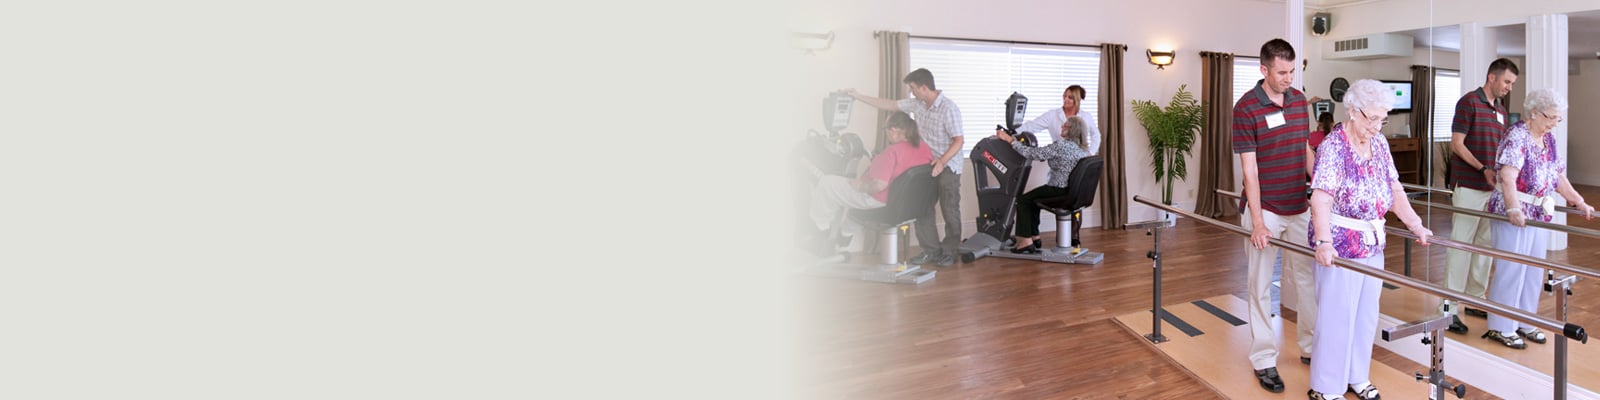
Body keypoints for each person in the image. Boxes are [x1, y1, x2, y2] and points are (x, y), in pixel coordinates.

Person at [1305, 79, 1433, 400]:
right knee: (1336, 317)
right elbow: (1320, 198)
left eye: (1382, 119)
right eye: (1371, 118)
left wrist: (1416, 225)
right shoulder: (1334, 146)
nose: (1377, 126)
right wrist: (1323, 242)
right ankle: (1327, 387)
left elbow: (1394, 191)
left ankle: (1356, 376)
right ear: (1352, 111)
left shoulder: (1379, 145)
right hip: (1339, 243)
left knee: (1365, 317)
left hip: (1372, 242)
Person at [1230, 38, 1318, 394]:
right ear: (1263, 69)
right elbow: (1249, 172)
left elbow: (1305, 149)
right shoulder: (1246, 108)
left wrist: (1320, 190)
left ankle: (1312, 348)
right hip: (1264, 208)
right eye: (1281, 72)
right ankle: (1264, 359)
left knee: (1307, 281)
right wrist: (1259, 222)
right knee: (1260, 286)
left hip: (1300, 206)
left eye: (1292, 71)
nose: (1288, 78)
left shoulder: (1298, 101)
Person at [1479, 89, 1594, 349]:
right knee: (1511, 269)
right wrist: (1513, 208)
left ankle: (1525, 321)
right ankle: (1501, 326)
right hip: (1513, 211)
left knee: (1533, 271)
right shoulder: (1517, 135)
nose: (1554, 123)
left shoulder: (1549, 139)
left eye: (1558, 119)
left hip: (1539, 212)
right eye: (1551, 117)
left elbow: (1558, 177)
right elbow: (1507, 177)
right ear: (1534, 112)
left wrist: (1578, 200)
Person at [846, 68, 966, 267]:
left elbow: (959, 141)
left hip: (948, 164)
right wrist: (857, 96)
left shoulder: (948, 108)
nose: (912, 93)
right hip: (926, 163)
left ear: (924, 87)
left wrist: (942, 162)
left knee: (949, 208)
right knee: (923, 207)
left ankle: (950, 251)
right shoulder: (918, 104)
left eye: (913, 88)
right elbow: (890, 104)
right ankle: (931, 250)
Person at [1445, 58, 1519, 334]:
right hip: (1469, 185)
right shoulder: (1469, 102)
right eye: (1507, 82)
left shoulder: (1500, 110)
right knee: (1460, 247)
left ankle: (1475, 298)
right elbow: (1457, 144)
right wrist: (1482, 168)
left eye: (1512, 84)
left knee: (1484, 247)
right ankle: (1449, 308)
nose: (1509, 88)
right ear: (1492, 77)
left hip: (1492, 189)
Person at [807, 112, 934, 253]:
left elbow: (879, 185)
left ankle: (820, 228)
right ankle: (843, 238)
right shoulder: (923, 147)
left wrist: (859, 186)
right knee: (854, 213)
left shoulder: (892, 152)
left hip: (877, 199)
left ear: (893, 130)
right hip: (909, 204)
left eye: (885, 129)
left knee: (827, 182)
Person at [994, 116, 1091, 253]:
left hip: (1059, 190)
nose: (1062, 127)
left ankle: (1025, 242)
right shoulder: (1083, 150)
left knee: (1023, 200)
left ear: (1072, 130)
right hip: (1073, 192)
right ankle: (1034, 237)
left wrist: (1009, 140)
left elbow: (1033, 153)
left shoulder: (1061, 146)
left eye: (1065, 126)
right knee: (1033, 199)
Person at [1016, 85, 1102, 155]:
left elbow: (1096, 136)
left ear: (1077, 100)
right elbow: (1031, 126)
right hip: (1060, 161)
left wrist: (1090, 153)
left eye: (1070, 97)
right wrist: (1012, 132)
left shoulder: (1086, 116)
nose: (1065, 99)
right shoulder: (1052, 115)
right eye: (1064, 96)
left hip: (1079, 161)